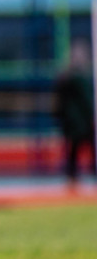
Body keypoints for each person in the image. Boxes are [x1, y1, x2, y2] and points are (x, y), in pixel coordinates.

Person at [52, 42, 95, 186]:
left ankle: (72, 174)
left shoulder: (64, 77)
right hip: (80, 120)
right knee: (86, 146)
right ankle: (79, 173)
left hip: (71, 120)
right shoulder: (79, 79)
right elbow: (86, 100)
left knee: (74, 148)